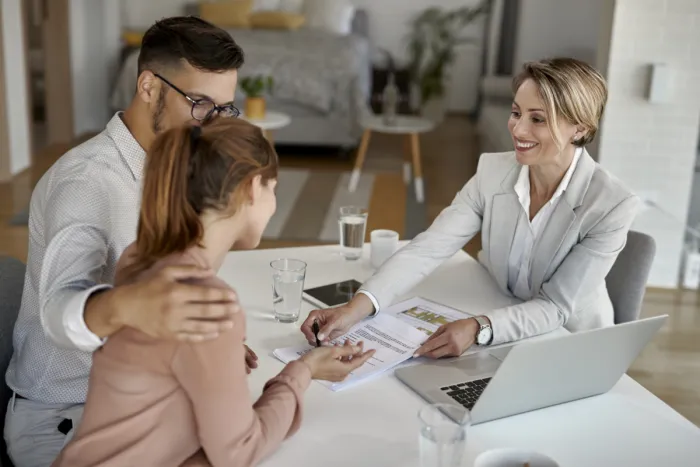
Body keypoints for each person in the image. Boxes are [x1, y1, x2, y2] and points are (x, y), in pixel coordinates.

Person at [51, 118, 375, 467]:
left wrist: (215, 356)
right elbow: (241, 451)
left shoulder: (139, 256)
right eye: (273, 189)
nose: (274, 205)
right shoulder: (206, 301)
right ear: (252, 188)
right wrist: (305, 370)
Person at [5, 17, 254, 466]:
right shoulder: (87, 182)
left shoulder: (170, 167)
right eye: (200, 104)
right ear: (148, 87)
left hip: (136, 398)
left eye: (223, 109)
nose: (212, 125)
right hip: (66, 416)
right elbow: (59, 311)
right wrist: (129, 306)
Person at [302, 57, 641, 358]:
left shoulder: (611, 205)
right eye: (516, 112)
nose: (518, 129)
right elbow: (428, 248)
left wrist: (479, 328)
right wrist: (356, 309)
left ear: (580, 128)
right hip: (496, 312)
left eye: (537, 119)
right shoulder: (492, 172)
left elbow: (555, 307)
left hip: (568, 344)